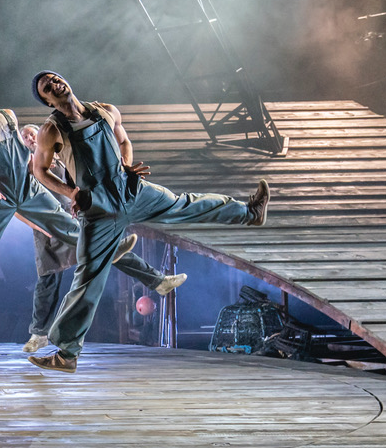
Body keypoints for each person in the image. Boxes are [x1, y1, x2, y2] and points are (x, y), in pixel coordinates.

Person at [27, 70, 270, 374]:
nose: (55, 83)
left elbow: (124, 141)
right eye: (47, 87)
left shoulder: (105, 110)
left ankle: (249, 213)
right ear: (47, 99)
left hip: (131, 190)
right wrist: (71, 191)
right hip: (98, 205)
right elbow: (40, 169)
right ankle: (66, 354)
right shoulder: (51, 130)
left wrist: (127, 166)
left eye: (55, 78)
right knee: (88, 277)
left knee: (186, 204)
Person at [0, 75, 176, 339]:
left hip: (28, 189)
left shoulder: (8, 117)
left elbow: (24, 155)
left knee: (73, 229)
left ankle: (136, 267)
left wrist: (38, 157)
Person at [17, 123, 183, 353]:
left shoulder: (59, 160)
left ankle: (158, 281)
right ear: (21, 143)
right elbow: (14, 207)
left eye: (32, 134)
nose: (29, 138)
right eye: (24, 136)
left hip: (70, 216)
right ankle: (39, 334)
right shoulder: (21, 168)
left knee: (110, 249)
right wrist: (38, 225)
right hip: (46, 227)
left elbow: (76, 186)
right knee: (47, 279)